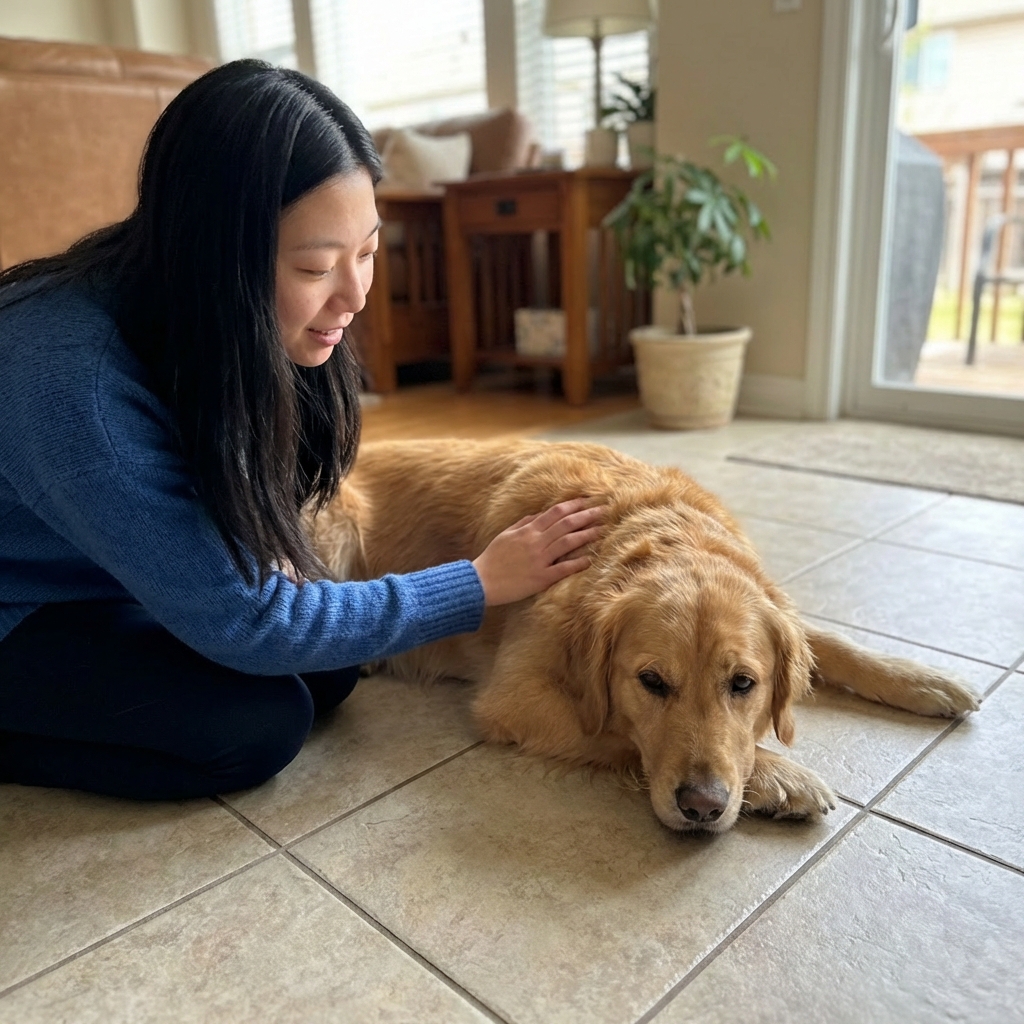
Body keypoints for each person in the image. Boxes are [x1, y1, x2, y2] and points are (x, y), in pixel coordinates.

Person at [0, 60, 602, 801]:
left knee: (328, 669)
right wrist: (477, 583)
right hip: (18, 604)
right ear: (218, 259)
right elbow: (253, 624)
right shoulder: (71, 382)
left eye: (369, 252)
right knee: (256, 725)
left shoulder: (210, 315)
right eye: (317, 267)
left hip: (94, 569)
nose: (353, 295)